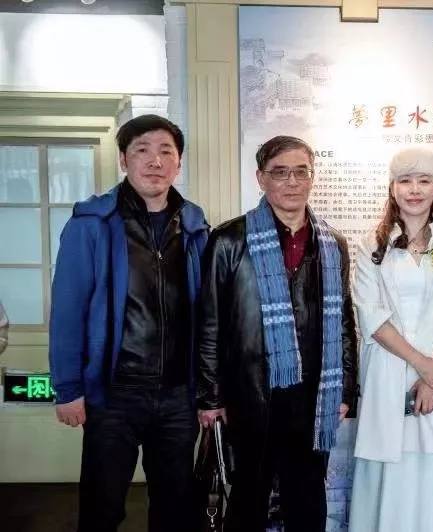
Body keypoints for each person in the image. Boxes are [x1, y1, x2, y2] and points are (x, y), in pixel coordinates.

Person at [49, 114, 209, 531]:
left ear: (178, 163)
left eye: (166, 151)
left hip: (178, 396)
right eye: (142, 150)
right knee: (102, 509)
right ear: (123, 159)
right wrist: (68, 388)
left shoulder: (195, 226)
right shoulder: (91, 225)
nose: (155, 161)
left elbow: (209, 316)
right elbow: (67, 312)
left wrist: (210, 391)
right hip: (113, 395)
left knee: (176, 511)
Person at [196, 135, 358, 532]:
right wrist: (211, 397)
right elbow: (210, 323)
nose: (292, 182)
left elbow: (344, 322)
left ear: (312, 177)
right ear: (261, 178)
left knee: (307, 497)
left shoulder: (332, 244)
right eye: (280, 172)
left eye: (301, 172)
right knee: (249, 496)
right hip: (250, 393)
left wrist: (345, 389)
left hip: (313, 394)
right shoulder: (229, 240)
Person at [349, 148, 433, 532]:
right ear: (392, 188)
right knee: (389, 463)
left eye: (423, 181)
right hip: (389, 371)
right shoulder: (371, 244)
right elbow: (371, 315)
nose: (414, 189)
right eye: (405, 181)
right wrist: (423, 366)